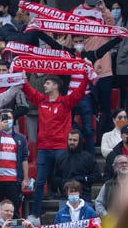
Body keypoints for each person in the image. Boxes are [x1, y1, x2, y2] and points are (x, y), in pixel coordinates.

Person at [24, 75, 89, 219]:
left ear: (56, 86)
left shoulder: (65, 102)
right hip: (44, 148)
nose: (44, 85)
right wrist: (23, 78)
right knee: (39, 182)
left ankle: (69, 213)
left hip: (61, 147)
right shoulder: (41, 101)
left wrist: (85, 76)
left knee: (67, 180)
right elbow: (28, 90)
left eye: (47, 83)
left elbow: (80, 92)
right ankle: (35, 216)